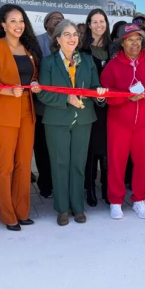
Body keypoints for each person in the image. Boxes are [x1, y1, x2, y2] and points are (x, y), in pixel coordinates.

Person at [37, 20, 108, 226]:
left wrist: (101, 95)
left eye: (75, 34)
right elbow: (43, 93)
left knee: (78, 164)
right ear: (57, 39)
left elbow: (95, 88)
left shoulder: (87, 60)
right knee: (60, 164)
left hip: (84, 119)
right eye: (66, 34)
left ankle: (77, 207)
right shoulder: (49, 62)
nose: (72, 38)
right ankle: (62, 208)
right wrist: (66, 99)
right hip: (56, 120)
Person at [101, 23, 145, 220]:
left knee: (141, 163)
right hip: (119, 123)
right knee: (116, 163)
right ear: (122, 43)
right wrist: (126, 97)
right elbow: (107, 94)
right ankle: (115, 201)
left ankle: (139, 200)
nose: (135, 43)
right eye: (130, 40)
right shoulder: (112, 66)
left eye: (138, 39)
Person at [0, 5, 42, 231]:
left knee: (24, 164)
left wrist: (34, 83)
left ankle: (22, 211)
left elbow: (31, 76)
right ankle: (8, 215)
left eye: (21, 21)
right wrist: (8, 90)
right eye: (13, 21)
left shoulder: (27, 48)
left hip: (27, 110)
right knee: (5, 165)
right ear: (4, 25)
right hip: (3, 112)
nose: (18, 25)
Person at [80, 8, 114, 206]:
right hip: (89, 106)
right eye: (95, 21)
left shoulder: (115, 48)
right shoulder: (82, 50)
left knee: (109, 148)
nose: (99, 25)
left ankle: (108, 188)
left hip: (112, 107)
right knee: (91, 148)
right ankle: (90, 187)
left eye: (102, 21)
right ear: (89, 25)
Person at [34, 11, 64, 199]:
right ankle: (45, 182)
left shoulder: (68, 41)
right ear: (46, 25)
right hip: (43, 107)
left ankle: (60, 182)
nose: (59, 21)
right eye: (55, 19)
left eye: (61, 19)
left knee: (59, 148)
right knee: (43, 147)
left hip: (64, 107)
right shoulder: (37, 42)